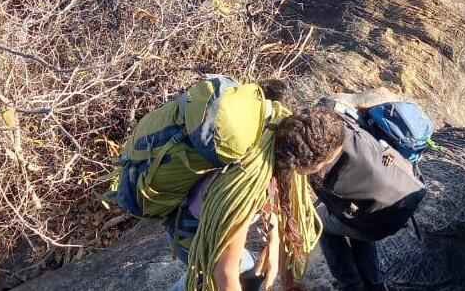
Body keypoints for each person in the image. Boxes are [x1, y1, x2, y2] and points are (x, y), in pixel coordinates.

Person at [112, 77, 321, 291]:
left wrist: (275, 244)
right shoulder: (243, 181)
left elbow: (280, 205)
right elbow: (226, 273)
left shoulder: (249, 140)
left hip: (191, 219)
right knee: (223, 274)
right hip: (194, 234)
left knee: (249, 271)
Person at [275, 92, 426, 291]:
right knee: (354, 219)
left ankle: (350, 285)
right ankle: (374, 284)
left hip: (380, 219)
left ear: (316, 163)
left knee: (318, 221)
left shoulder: (323, 169)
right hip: (405, 192)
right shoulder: (342, 122)